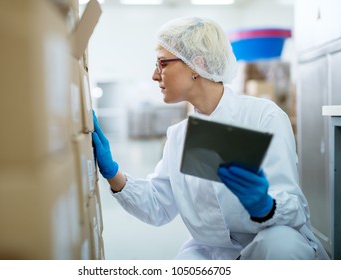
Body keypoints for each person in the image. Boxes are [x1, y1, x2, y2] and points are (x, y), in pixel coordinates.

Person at [92, 16, 329, 260]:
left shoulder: (263, 117)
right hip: (210, 253)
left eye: (162, 63)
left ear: (196, 64)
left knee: (281, 246)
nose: (155, 75)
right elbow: (158, 206)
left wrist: (266, 206)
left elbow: (295, 207)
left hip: (270, 241)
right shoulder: (179, 137)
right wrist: (112, 173)